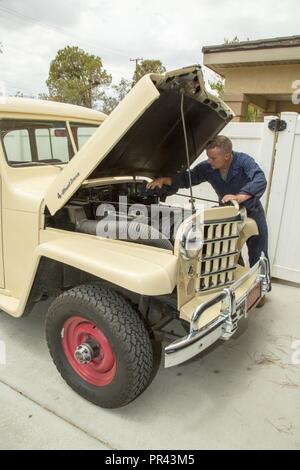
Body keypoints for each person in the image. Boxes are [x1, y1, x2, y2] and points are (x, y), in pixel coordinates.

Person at [146, 135, 268, 268]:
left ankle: (260, 285)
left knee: (259, 252)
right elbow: (188, 178)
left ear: (227, 156)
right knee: (226, 251)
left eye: (213, 158)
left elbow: (260, 179)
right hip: (227, 212)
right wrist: (165, 180)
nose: (209, 161)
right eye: (208, 157)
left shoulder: (244, 161)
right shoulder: (207, 167)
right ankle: (232, 278)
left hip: (253, 211)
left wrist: (240, 196)